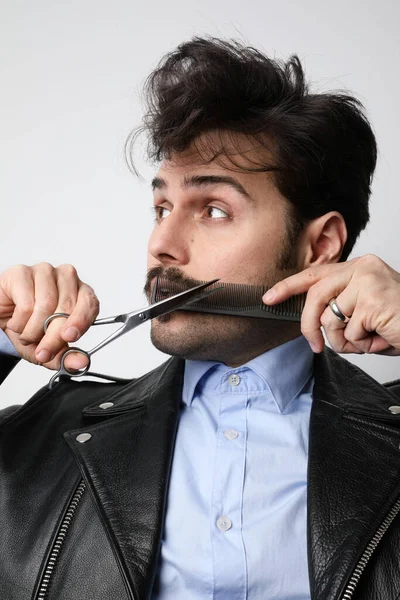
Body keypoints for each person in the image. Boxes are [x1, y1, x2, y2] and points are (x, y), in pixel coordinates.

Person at [1, 37, 400, 600]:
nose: (161, 244)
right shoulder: (42, 436)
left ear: (321, 246)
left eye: (214, 210)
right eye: (161, 207)